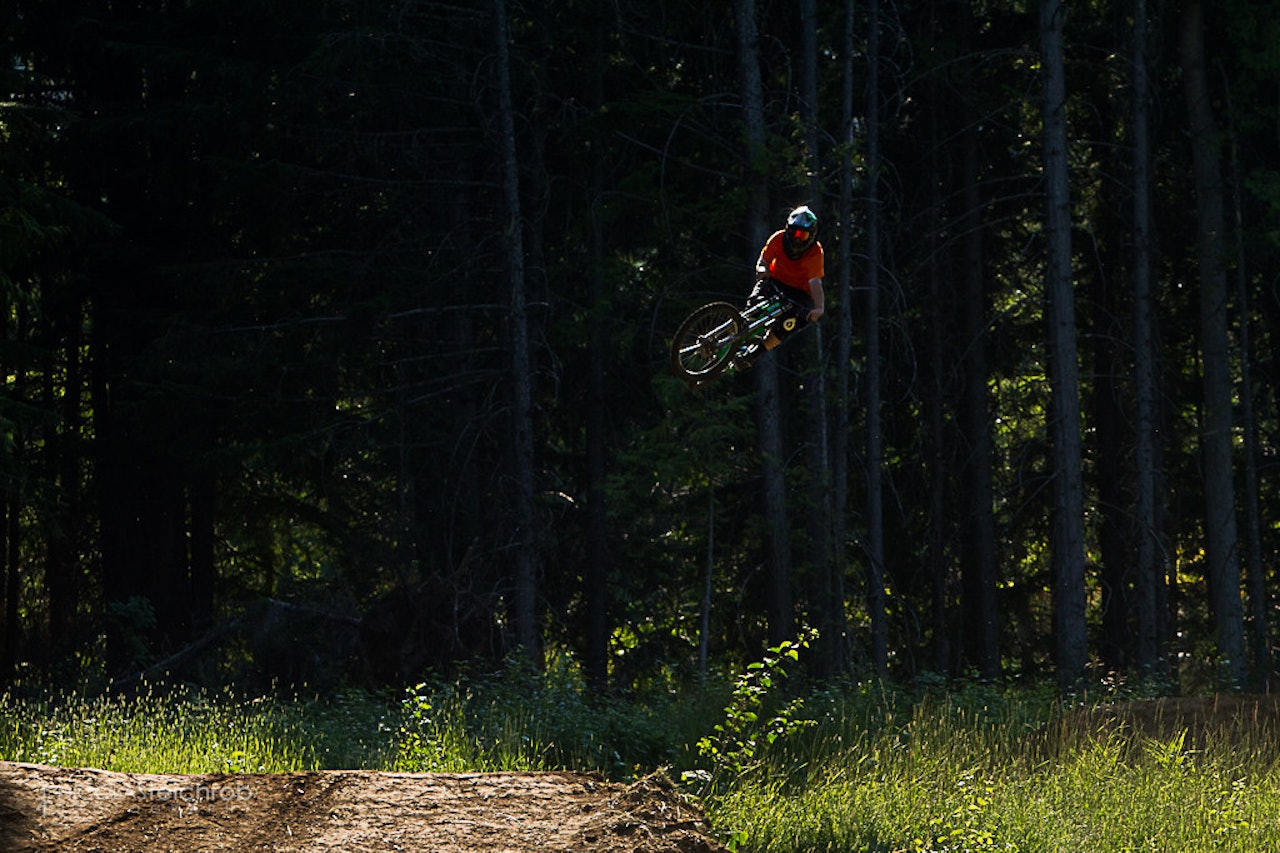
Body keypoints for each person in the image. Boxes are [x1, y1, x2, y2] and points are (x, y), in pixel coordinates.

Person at [741, 206, 825, 359]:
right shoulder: (778, 239)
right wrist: (761, 269)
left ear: (811, 235)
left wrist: (819, 307)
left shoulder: (815, 253)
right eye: (794, 232)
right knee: (755, 303)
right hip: (775, 281)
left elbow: (815, 282)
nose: (797, 238)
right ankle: (739, 329)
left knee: (789, 324)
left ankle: (753, 354)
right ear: (787, 229)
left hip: (799, 293)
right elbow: (764, 260)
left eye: (802, 235)